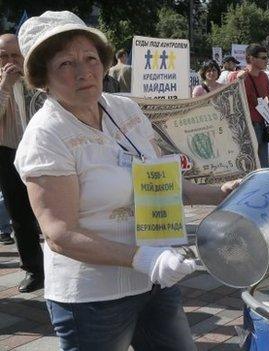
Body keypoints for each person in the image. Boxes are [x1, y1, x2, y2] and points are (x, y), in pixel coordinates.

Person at [16, 11, 240, 350]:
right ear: (42, 77)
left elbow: (160, 184)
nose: (83, 71)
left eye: (90, 58)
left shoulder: (125, 110)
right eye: (65, 64)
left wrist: (219, 194)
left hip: (154, 284)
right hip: (94, 299)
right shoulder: (47, 136)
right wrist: (146, 259)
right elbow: (59, 234)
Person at [0, 33, 44, 292]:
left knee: (51, 208)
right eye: (3, 56)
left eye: (14, 55)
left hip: (42, 151)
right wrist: (6, 84)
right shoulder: (2, 81)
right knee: (19, 215)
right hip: (8, 153)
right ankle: (34, 269)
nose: (9, 61)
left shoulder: (36, 79)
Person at [230, 44, 269, 168]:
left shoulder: (264, 76)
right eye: (263, 58)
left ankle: (263, 185)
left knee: (263, 162)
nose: (267, 61)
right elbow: (230, 96)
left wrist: (265, 109)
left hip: (261, 123)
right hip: (245, 125)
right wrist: (238, 80)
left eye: (267, 58)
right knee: (248, 163)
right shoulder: (239, 76)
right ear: (252, 59)